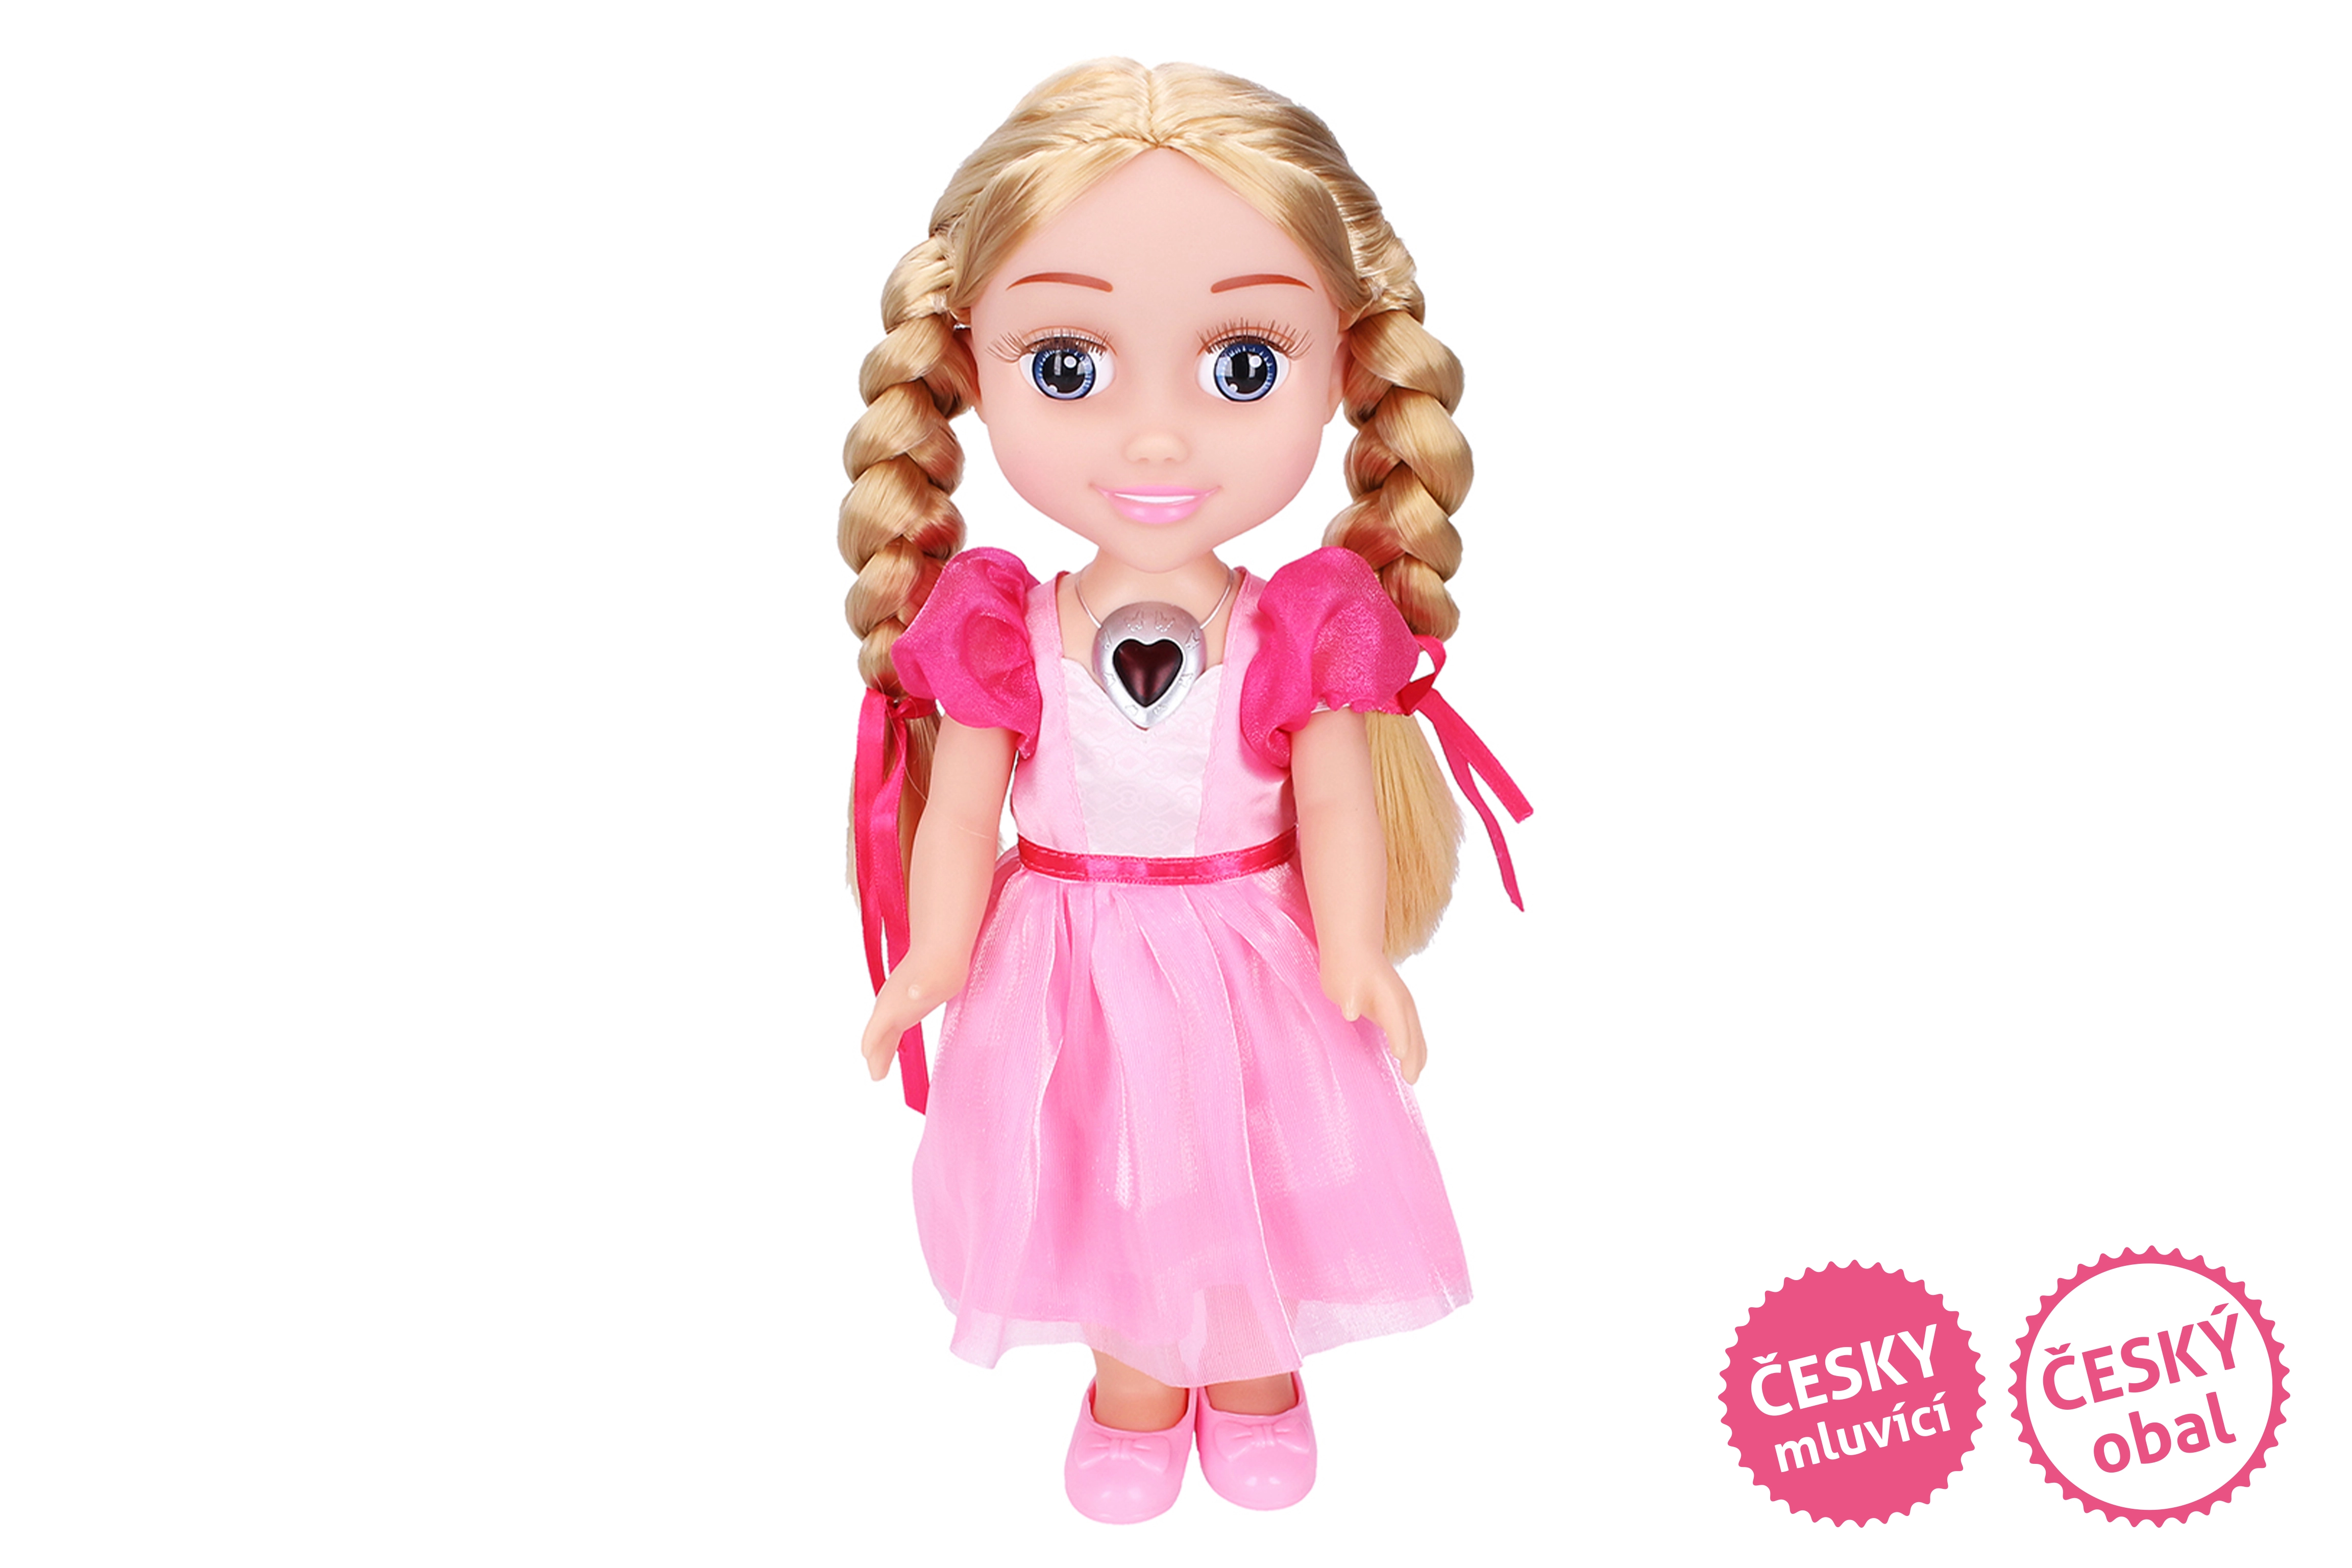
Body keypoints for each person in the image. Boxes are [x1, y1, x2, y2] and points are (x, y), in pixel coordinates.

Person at [841, 59, 1527, 1523]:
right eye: (1067, 367)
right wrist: (936, 956)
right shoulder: (1002, 625)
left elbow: (1333, 805)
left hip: (1245, 948)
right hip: (1069, 959)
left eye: (1243, 367)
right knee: (1110, 1172)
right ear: (970, 365)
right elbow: (962, 811)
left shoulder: (1301, 623)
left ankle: (1261, 1377)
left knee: (1257, 1160)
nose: (1155, 440)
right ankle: (1137, 1388)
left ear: (1345, 366)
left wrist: (1357, 950)